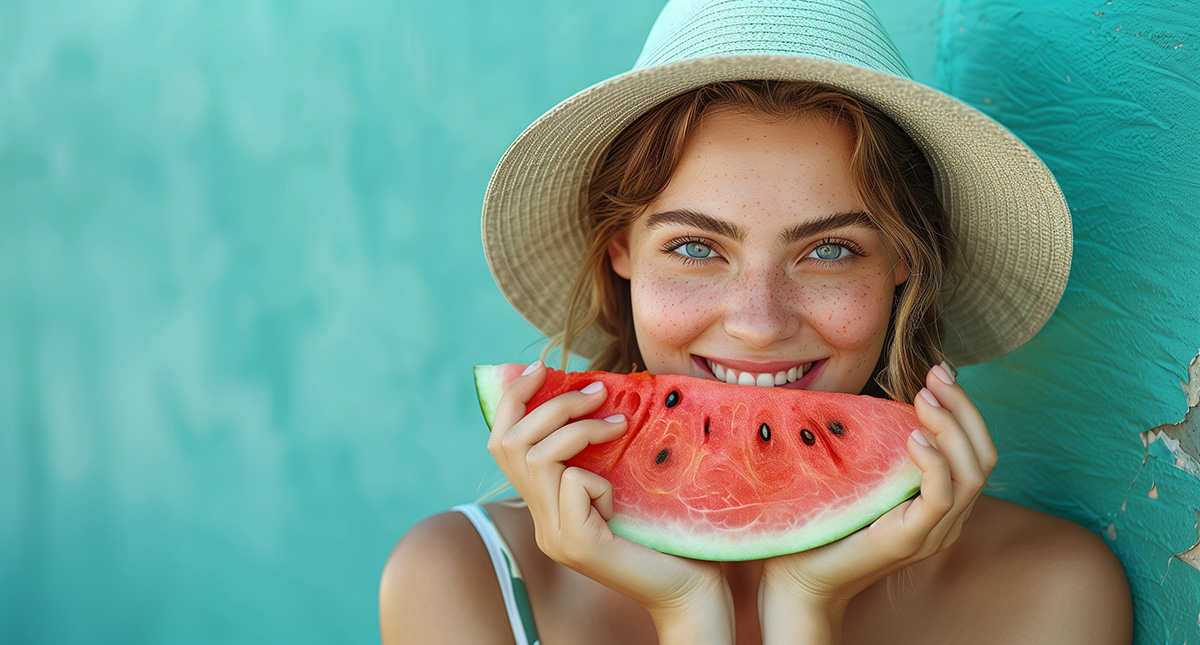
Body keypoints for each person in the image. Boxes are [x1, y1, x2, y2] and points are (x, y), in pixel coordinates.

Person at [381, 1, 1133, 643]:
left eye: (830, 249)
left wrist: (808, 606)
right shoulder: (462, 581)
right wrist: (688, 611)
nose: (759, 324)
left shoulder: (1048, 591)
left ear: (904, 260)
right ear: (623, 252)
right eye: (697, 247)